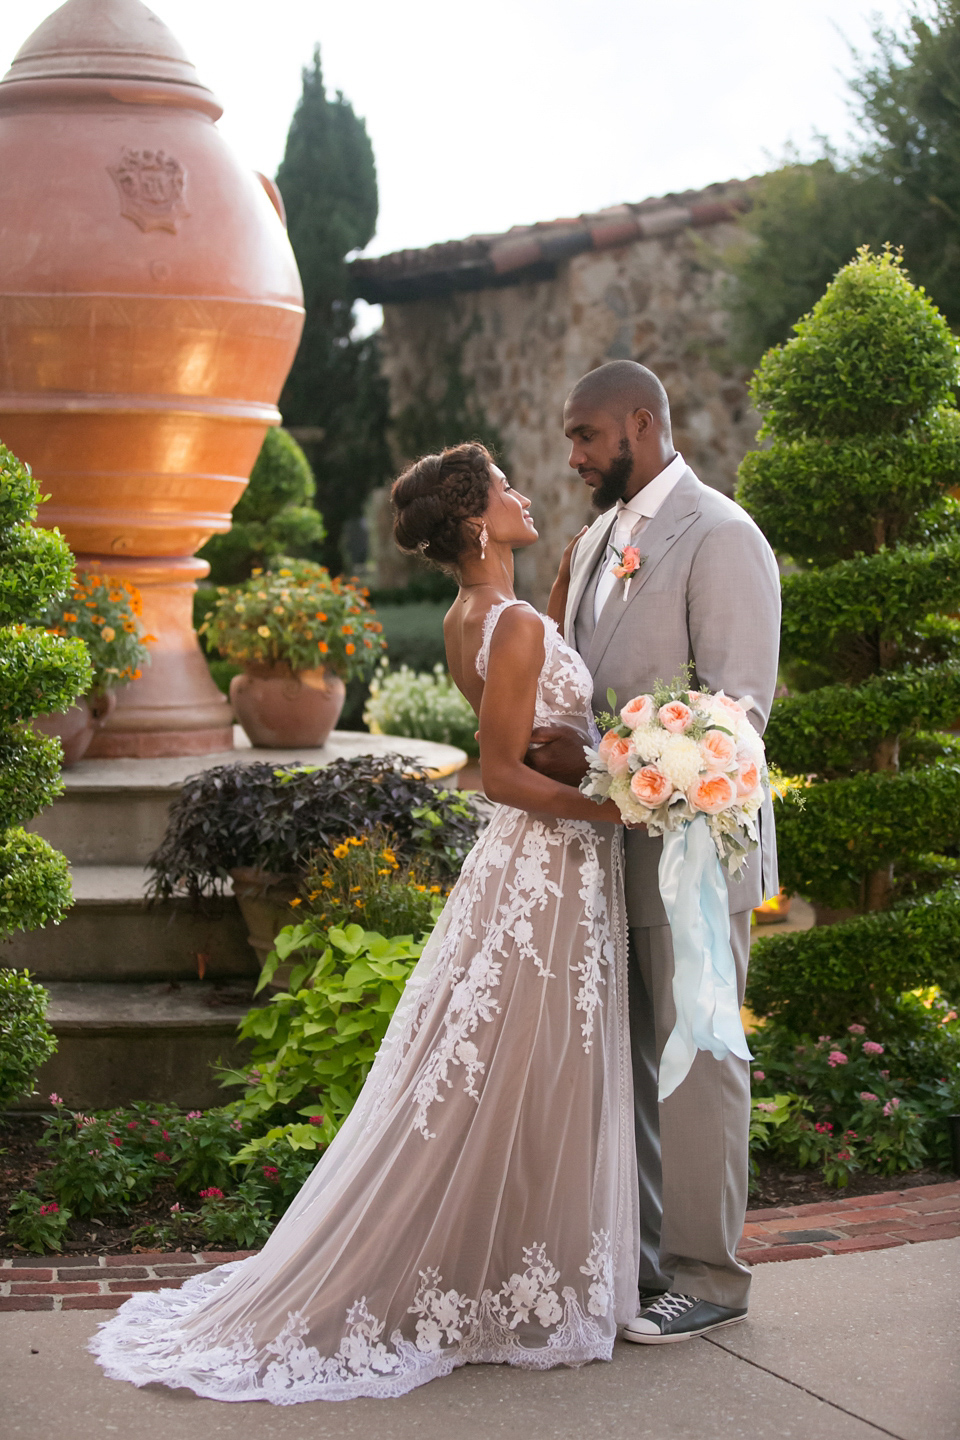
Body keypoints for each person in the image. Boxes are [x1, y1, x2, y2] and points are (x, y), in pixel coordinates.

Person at [89, 442, 641, 1404]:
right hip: (547, 865)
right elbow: (503, 772)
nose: (521, 495)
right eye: (504, 487)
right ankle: (497, 1280)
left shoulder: (485, 615)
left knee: (518, 1065)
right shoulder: (503, 623)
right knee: (524, 1062)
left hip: (533, 867)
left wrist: (558, 613)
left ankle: (502, 1268)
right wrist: (620, 806)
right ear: (475, 519)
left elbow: (540, 713)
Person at [531, 361, 781, 1343]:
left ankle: (709, 1276)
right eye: (571, 438)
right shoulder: (598, 539)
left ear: (644, 421)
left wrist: (620, 761)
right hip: (612, 843)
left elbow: (736, 714)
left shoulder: (721, 536)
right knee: (630, 1061)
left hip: (698, 848)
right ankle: (640, 1265)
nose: (576, 454)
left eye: (587, 434)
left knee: (699, 1055)